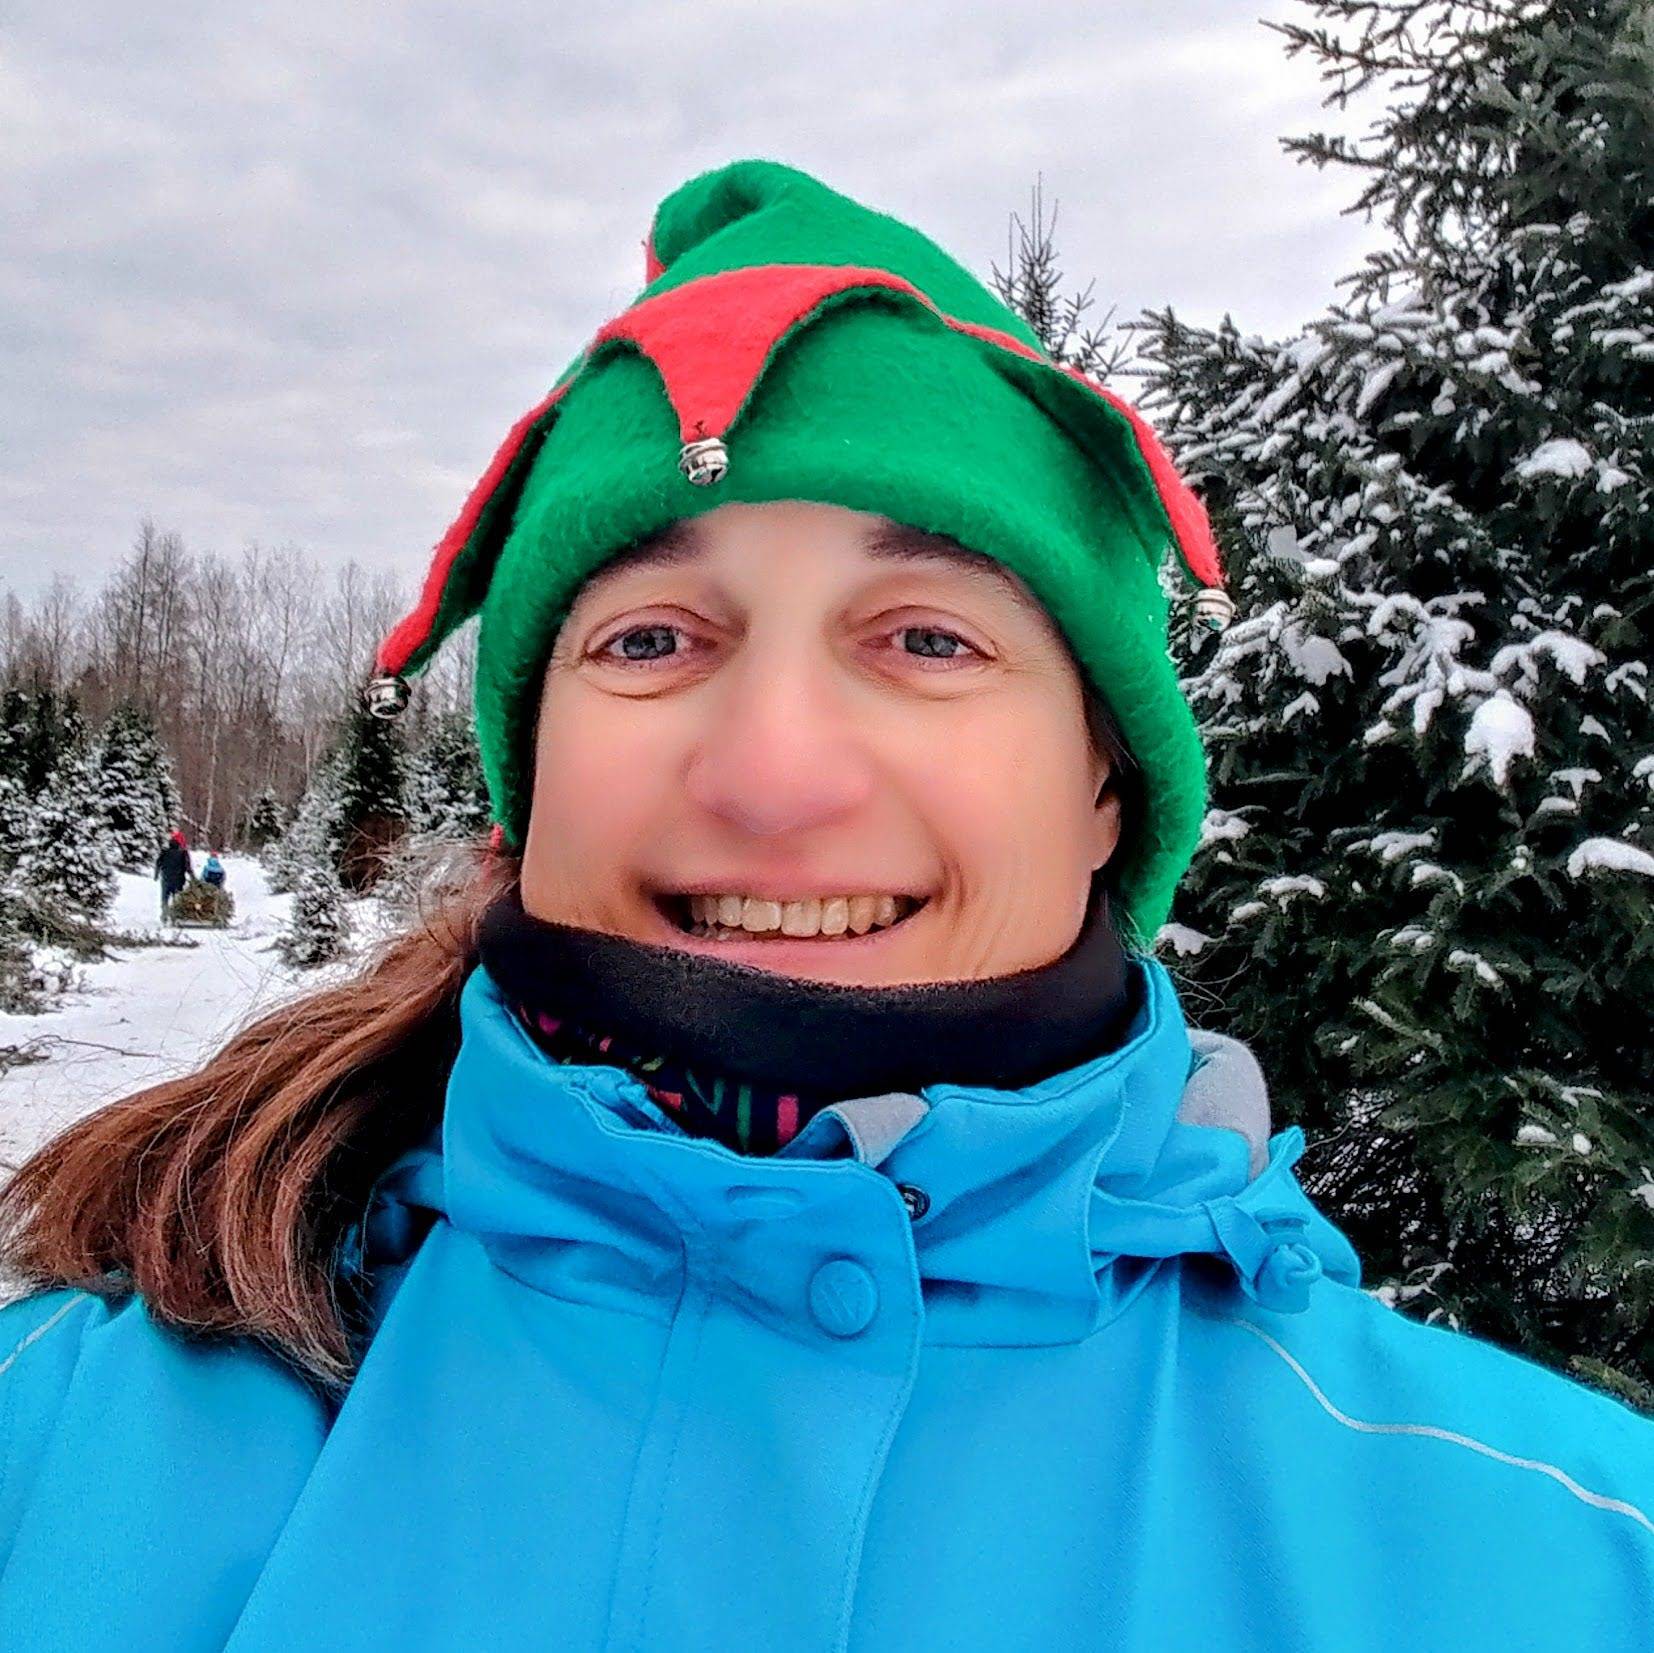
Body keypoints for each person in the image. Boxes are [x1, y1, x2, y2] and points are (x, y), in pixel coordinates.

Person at [0, 162, 1648, 1650]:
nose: (772, 773)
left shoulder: (1567, 1556)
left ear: (1105, 786)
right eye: (651, 639)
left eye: (926, 638)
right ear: (531, 778)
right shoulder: (49, 1450)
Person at [152, 828, 191, 923]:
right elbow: (187, 867)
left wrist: (156, 874)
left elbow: (158, 863)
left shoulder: (164, 852)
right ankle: (175, 916)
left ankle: (164, 914)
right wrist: (193, 877)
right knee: (176, 897)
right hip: (179, 880)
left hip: (166, 879)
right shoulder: (183, 853)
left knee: (165, 897)